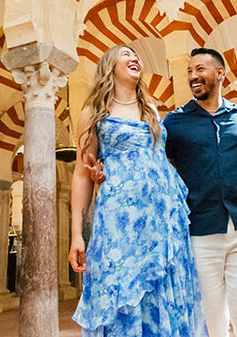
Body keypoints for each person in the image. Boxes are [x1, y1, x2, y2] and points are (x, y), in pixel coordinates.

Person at [68, 45, 207, 336]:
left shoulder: (152, 110)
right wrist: (77, 235)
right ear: (109, 66)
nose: (134, 57)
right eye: (126, 54)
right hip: (120, 221)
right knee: (122, 289)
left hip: (164, 218)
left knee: (163, 291)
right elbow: (82, 173)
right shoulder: (94, 112)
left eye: (136, 54)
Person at [163, 48, 237, 337]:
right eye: (189, 71)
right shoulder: (174, 123)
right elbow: (155, 164)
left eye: (200, 69)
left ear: (220, 73)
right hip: (199, 228)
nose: (193, 76)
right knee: (210, 319)